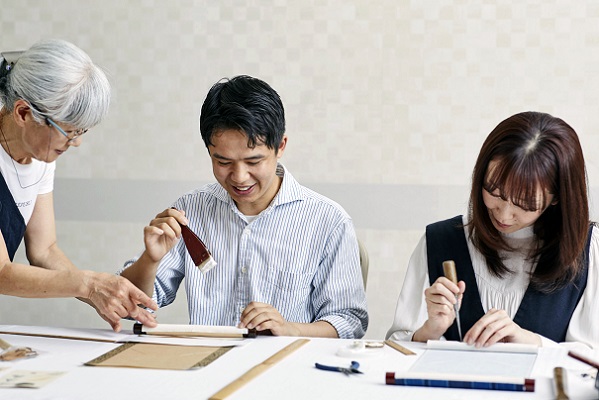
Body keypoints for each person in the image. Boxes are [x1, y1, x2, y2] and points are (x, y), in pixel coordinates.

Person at [120, 75, 368, 339]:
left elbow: (349, 322)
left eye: (253, 161)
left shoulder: (328, 220)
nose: (239, 177)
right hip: (206, 361)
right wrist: (150, 260)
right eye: (223, 162)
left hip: (285, 362)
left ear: (280, 146)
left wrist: (290, 329)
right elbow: (132, 306)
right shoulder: (189, 211)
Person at [387, 111, 599, 349]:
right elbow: (395, 348)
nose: (504, 214)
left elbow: (591, 359)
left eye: (525, 204)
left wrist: (531, 342)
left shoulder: (588, 251)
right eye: (494, 191)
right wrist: (429, 331)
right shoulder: (439, 242)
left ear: (557, 197)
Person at [0, 39, 157, 332]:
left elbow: (44, 250)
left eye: (81, 131)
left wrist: (102, 294)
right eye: (69, 131)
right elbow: (1, 273)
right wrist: (89, 284)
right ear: (23, 113)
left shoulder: (39, 156)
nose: (77, 142)